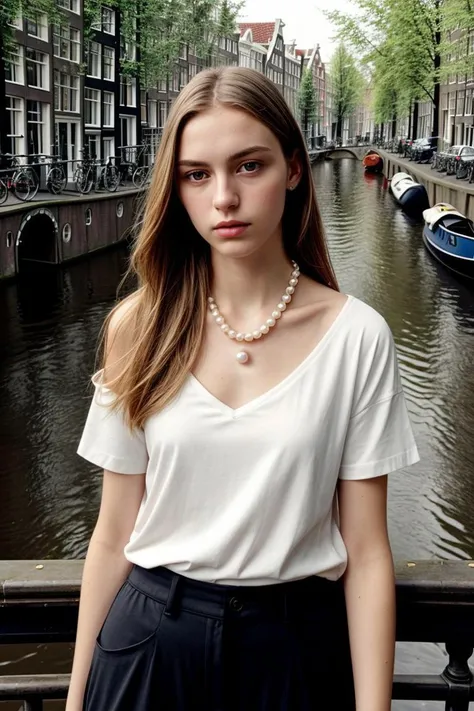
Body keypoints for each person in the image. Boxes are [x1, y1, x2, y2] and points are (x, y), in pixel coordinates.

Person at [66, 66, 419, 711]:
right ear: (177, 190)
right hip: (148, 649)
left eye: (248, 166)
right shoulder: (138, 328)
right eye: (196, 175)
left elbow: (367, 552)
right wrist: (76, 696)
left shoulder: (356, 338)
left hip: (292, 655)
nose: (223, 198)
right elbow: (113, 535)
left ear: (292, 169)